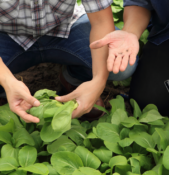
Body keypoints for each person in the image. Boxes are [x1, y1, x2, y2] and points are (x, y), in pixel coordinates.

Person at [0, 0, 138, 123]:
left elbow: (100, 21)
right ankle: (6, 91)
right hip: (6, 35)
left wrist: (98, 81)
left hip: (65, 27)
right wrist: (7, 81)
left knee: (120, 62)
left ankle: (75, 79)